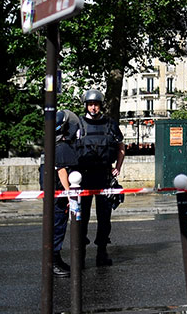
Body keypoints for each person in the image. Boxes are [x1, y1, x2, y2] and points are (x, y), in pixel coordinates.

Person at [76, 89, 125, 266]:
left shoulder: (110, 124)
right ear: (86, 106)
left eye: (96, 104)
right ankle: (80, 254)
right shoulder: (78, 124)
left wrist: (117, 168)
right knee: (82, 217)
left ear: (100, 105)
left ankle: (102, 252)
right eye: (90, 104)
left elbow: (120, 147)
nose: (93, 107)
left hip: (104, 176)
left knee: (104, 217)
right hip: (83, 177)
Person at [51, 109, 81, 276]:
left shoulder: (53, 145)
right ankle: (53, 263)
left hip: (53, 194)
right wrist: (70, 194)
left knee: (55, 227)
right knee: (57, 228)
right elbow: (62, 171)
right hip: (59, 196)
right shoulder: (62, 147)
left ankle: (56, 260)